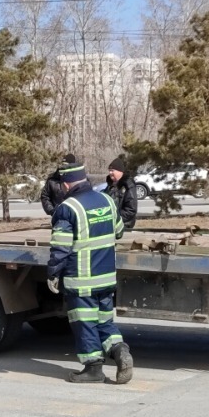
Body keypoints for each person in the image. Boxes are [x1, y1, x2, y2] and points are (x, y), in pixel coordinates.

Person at [47, 158, 134, 384]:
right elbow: (119, 232)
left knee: (84, 323)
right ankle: (119, 350)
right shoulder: (107, 200)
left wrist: (53, 273)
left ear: (65, 184)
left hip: (81, 280)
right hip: (106, 278)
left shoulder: (67, 209)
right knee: (104, 322)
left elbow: (60, 247)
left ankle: (93, 369)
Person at [104, 155, 139, 230]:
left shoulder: (128, 185)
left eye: (112, 170)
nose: (110, 173)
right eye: (109, 170)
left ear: (120, 171)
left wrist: (116, 219)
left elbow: (131, 210)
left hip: (124, 225)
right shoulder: (110, 185)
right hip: (112, 224)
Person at [40, 151, 76, 215]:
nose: (64, 167)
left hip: (76, 214)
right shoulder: (52, 180)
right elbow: (45, 196)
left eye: (67, 165)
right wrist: (51, 210)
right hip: (58, 216)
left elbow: (86, 196)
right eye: (63, 165)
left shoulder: (79, 179)